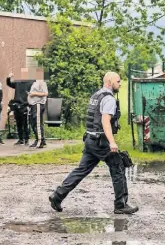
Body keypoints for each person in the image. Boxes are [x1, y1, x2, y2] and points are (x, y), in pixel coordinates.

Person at [48, 72, 138, 215]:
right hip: (101, 142)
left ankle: (57, 196)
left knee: (81, 170)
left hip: (90, 140)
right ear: (110, 81)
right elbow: (105, 121)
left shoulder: (96, 95)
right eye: (118, 81)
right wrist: (112, 142)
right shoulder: (108, 99)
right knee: (118, 167)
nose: (120, 84)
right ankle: (121, 205)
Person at [7, 68, 33, 145]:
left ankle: (26, 139)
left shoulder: (30, 83)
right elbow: (9, 84)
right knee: (18, 123)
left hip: (25, 105)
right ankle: (21, 139)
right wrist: (9, 77)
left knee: (25, 124)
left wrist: (29, 104)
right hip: (17, 105)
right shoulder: (18, 82)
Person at [28, 68, 48, 148]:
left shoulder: (41, 82)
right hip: (33, 105)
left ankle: (40, 141)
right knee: (33, 123)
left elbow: (45, 93)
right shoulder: (35, 82)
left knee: (38, 123)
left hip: (38, 104)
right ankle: (38, 139)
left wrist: (33, 94)